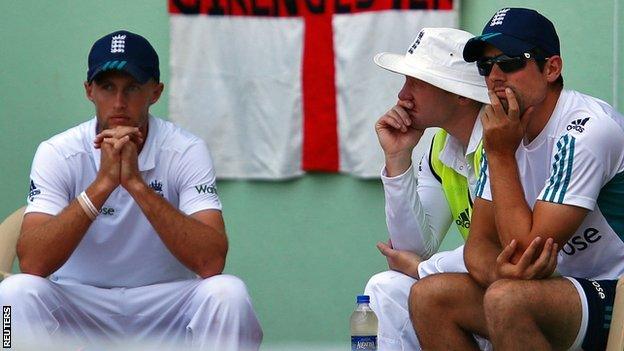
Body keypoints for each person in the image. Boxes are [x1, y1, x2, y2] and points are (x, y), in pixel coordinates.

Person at [0, 30, 262, 350]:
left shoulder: (185, 150)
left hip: (164, 308)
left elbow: (211, 262)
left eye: (133, 88)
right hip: (81, 307)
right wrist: (103, 184)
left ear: (155, 92)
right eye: (107, 87)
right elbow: (33, 263)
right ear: (89, 91)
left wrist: (136, 185)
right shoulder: (58, 152)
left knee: (228, 294)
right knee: (11, 300)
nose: (119, 103)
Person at [409, 8, 624, 351]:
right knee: (429, 296)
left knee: (507, 300)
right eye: (485, 65)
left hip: (614, 286)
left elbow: (525, 248)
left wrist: (500, 155)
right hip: (556, 287)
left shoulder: (585, 130)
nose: (495, 75)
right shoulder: (504, 130)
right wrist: (504, 274)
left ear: (552, 68)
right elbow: (479, 247)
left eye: (509, 61)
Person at [363, 27, 489, 350]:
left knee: (416, 288)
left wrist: (423, 269)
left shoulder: (502, 140)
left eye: (416, 83)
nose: (402, 96)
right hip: (482, 290)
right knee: (385, 287)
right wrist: (397, 158)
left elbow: (496, 252)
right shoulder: (440, 145)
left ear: (460, 93)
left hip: (529, 294)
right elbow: (412, 248)